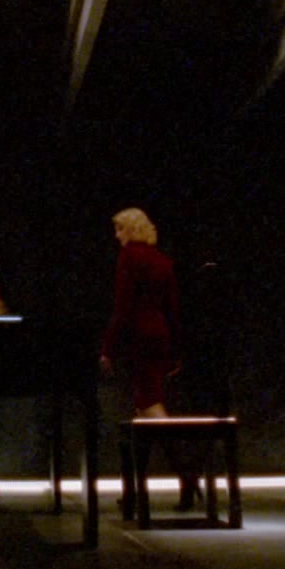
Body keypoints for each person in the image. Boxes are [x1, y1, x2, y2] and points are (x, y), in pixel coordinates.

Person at [98, 207, 201, 509]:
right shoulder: (162, 260)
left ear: (130, 230)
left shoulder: (129, 257)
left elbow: (123, 306)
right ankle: (137, 492)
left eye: (120, 229)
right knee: (144, 410)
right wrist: (177, 349)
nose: (117, 235)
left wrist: (108, 348)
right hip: (160, 335)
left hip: (138, 338)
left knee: (150, 407)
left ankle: (185, 473)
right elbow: (172, 309)